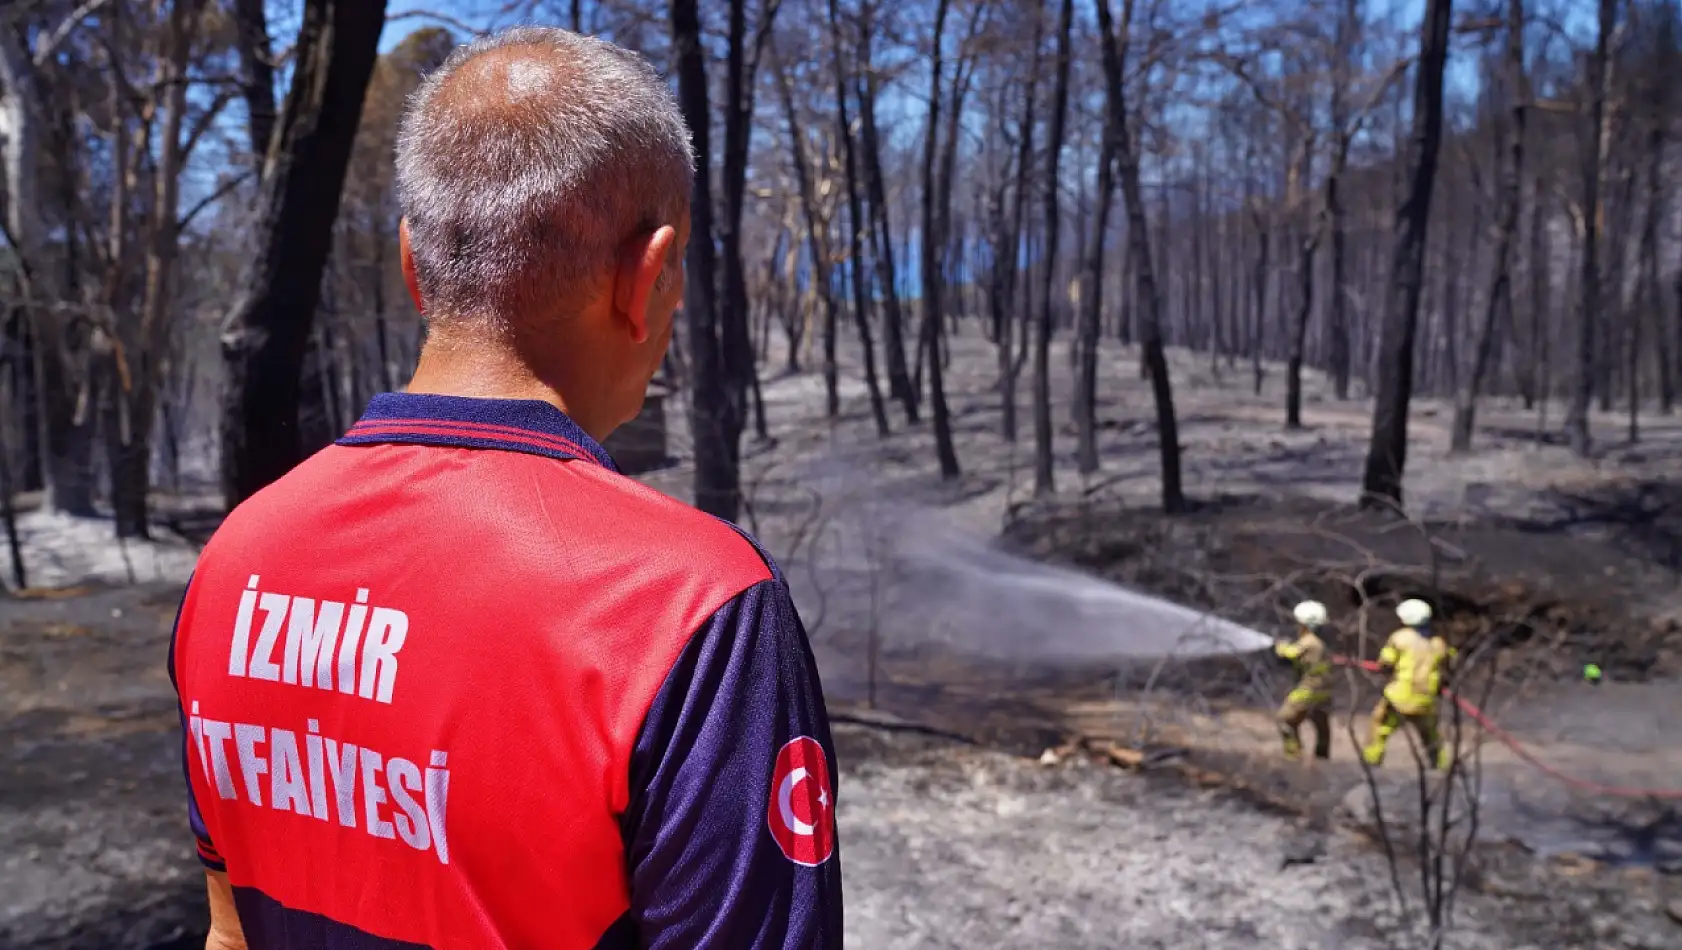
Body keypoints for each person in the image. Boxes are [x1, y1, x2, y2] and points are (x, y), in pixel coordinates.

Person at [170, 28, 841, 950]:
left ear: (413, 266)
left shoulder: (234, 560)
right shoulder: (694, 608)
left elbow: (229, 933)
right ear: (649, 277)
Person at [1362, 598, 1454, 771]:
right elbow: (1446, 670)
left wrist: (1382, 667)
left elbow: (1385, 664)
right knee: (1431, 735)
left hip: (1399, 697)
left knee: (1380, 728)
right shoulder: (1439, 643)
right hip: (1426, 699)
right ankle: (1442, 768)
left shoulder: (1400, 638)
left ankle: (1371, 764)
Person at [1274, 600, 1334, 761]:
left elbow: (1291, 653)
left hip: (1308, 690)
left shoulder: (1309, 641)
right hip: (1323, 691)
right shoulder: (1320, 643)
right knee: (1322, 727)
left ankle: (1294, 756)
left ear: (1304, 624)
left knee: (1284, 720)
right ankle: (1322, 759)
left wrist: (1280, 646)